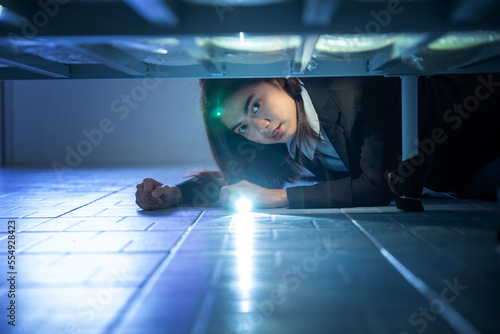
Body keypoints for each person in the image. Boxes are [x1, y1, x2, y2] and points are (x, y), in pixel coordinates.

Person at [135, 74, 500, 211]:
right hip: (453, 179)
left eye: (256, 105)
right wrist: (178, 194)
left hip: (483, 136)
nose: (261, 127)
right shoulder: (288, 139)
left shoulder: (356, 90)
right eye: (244, 129)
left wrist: (279, 198)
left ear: (279, 79)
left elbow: (379, 187)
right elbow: (246, 183)